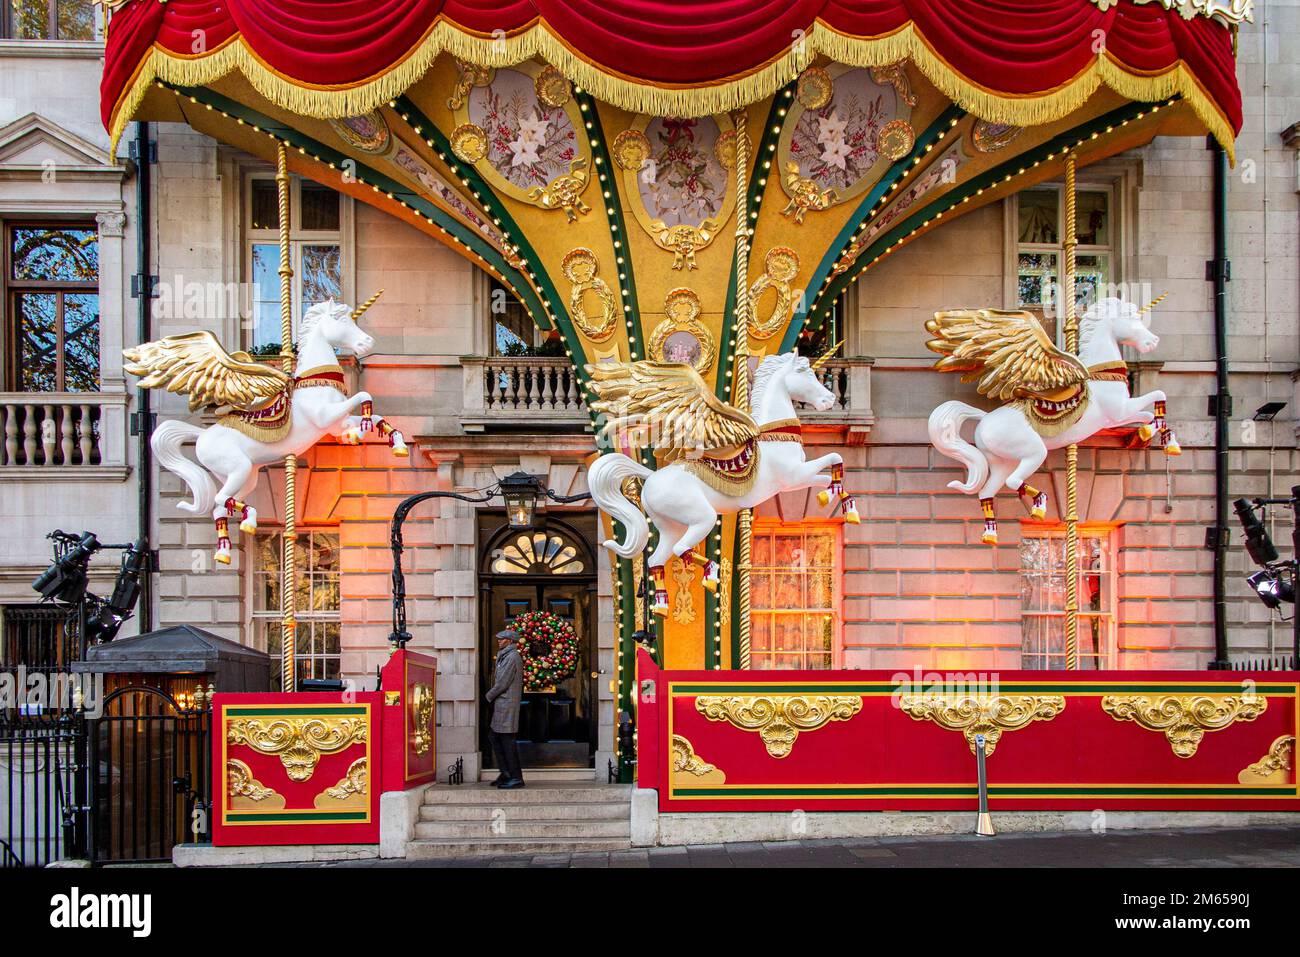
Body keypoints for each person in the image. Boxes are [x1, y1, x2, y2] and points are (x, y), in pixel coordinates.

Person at [486, 628, 525, 788]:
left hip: (507, 704)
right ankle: (506, 773)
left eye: (502, 639)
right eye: (499, 638)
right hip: (501, 703)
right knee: (495, 737)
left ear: (510, 641)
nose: (499, 641)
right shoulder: (505, 656)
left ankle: (516, 777)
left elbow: (503, 682)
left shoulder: (512, 657)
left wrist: (488, 696)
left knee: (507, 740)